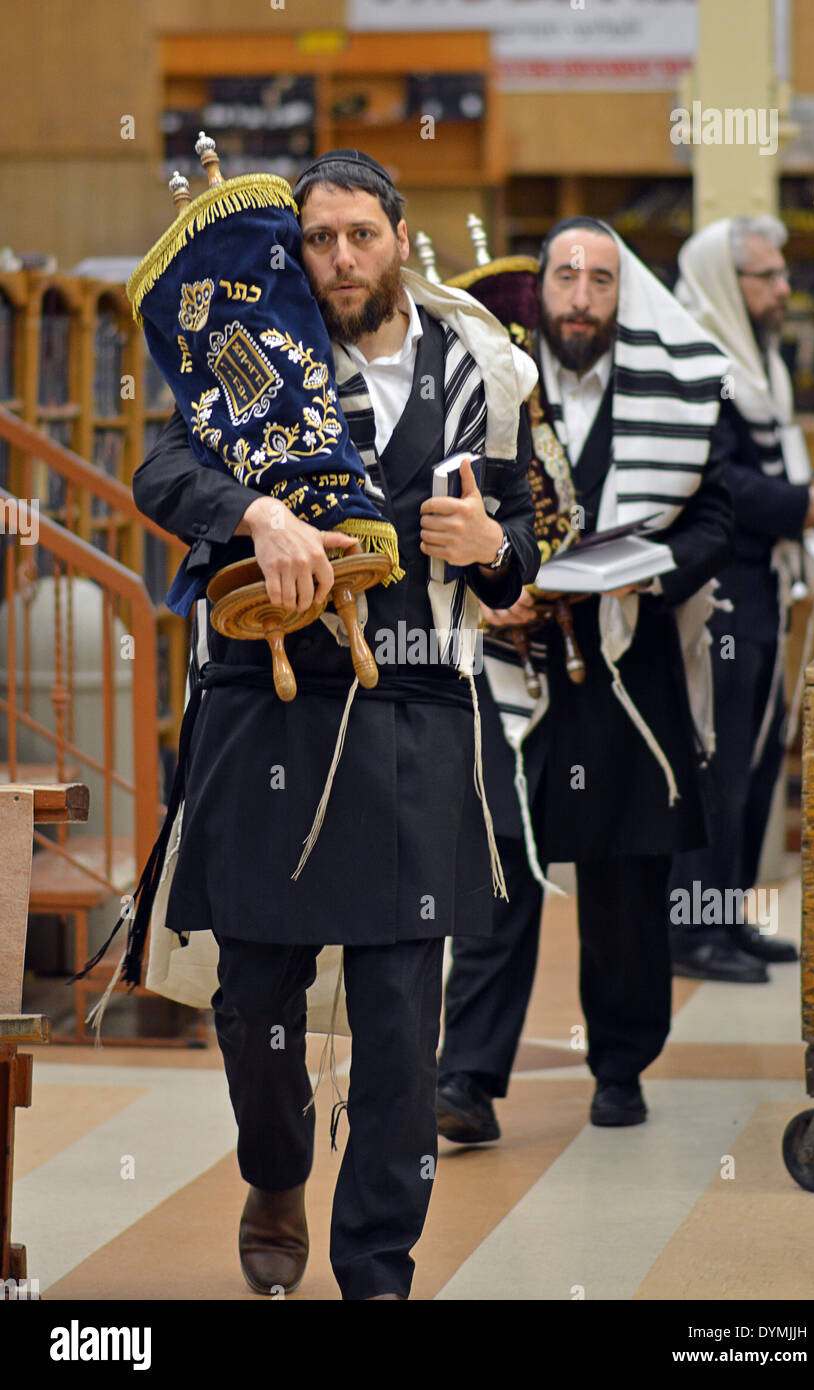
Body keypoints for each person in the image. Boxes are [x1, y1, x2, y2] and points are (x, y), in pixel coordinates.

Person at [131, 149, 540, 1300]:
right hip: (265, 709)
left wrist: (495, 550)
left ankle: (376, 1266)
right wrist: (255, 508)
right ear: (292, 244)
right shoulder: (249, 347)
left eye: (362, 234)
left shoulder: (480, 367)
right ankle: (273, 1171)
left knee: (403, 1029)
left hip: (412, 713)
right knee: (254, 999)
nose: (341, 258)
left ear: (398, 234)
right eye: (319, 237)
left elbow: (521, 534)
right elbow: (160, 472)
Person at [436, 216, 734, 1138]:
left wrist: (648, 572)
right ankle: (467, 1083)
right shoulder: (492, 391)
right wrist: (490, 592)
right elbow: (443, 507)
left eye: (598, 279)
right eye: (564, 275)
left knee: (624, 878)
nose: (577, 294)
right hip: (511, 666)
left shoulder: (677, 397)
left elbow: (715, 522)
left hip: (623, 663)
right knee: (497, 874)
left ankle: (620, 1067)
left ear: (621, 292)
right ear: (543, 287)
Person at [667, 216, 814, 983]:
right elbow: (714, 481)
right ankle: (690, 931)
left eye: (779, 274)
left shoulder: (754, 356)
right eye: (765, 277)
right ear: (726, 284)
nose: (781, 289)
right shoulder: (696, 358)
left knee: (757, 760)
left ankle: (726, 918)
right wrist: (802, 504)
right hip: (718, 591)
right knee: (716, 763)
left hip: (763, 583)